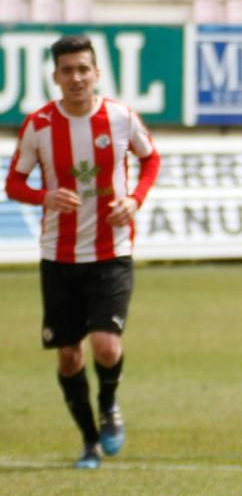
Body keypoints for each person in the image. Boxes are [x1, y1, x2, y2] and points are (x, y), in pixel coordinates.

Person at [4, 34, 160, 469]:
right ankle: (89, 441)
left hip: (112, 251)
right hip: (59, 255)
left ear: (96, 73)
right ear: (55, 76)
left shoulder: (121, 118)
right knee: (70, 355)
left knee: (107, 346)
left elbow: (151, 160)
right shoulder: (39, 125)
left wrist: (135, 199)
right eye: (67, 70)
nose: (75, 77)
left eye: (83, 69)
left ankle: (109, 406)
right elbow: (14, 183)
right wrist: (45, 197)